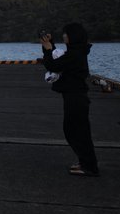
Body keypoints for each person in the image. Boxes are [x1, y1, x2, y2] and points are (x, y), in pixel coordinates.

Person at [41, 23, 99, 177]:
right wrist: (50, 46)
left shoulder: (75, 54)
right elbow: (58, 61)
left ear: (73, 36)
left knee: (76, 132)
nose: (64, 36)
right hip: (75, 96)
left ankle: (90, 166)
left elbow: (53, 65)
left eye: (66, 34)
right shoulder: (76, 52)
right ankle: (85, 162)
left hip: (75, 97)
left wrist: (47, 50)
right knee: (77, 131)